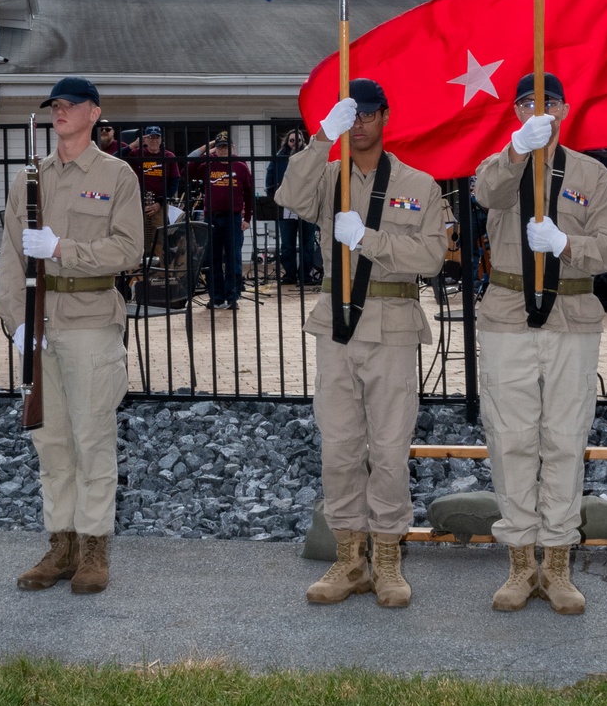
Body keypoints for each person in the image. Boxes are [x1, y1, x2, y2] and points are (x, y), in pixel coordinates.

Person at [275, 79, 446, 609]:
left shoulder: (419, 184)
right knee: (340, 447)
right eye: (355, 116)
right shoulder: (327, 179)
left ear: (385, 117)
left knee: (390, 451)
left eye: (370, 114)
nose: (362, 123)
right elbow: (287, 197)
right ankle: (349, 557)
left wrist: (368, 239)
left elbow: (432, 257)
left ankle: (388, 558)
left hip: (392, 326)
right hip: (337, 325)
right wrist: (321, 137)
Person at [474, 72, 607, 614]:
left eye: (549, 101)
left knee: (564, 438)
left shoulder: (591, 173)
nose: (540, 110)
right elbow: (484, 194)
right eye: (527, 103)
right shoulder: (501, 165)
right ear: (516, 113)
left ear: (564, 108)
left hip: (571, 319)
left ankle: (557, 563)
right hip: (509, 315)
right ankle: (520, 563)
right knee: (511, 438)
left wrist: (565, 242)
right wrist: (516, 151)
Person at [0, 76, 143, 594]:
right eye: (55, 105)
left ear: (94, 113)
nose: (60, 111)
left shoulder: (116, 175)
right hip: (39, 323)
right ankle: (60, 547)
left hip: (90, 321)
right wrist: (15, 322)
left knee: (93, 439)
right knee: (51, 441)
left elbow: (128, 249)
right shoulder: (30, 179)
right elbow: (11, 258)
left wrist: (62, 249)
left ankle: (94, 550)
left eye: (70, 104)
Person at [188, 131, 254, 308]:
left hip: (233, 218)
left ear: (232, 148)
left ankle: (232, 296)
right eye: (219, 147)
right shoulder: (208, 164)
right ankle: (216, 297)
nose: (222, 150)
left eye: (225, 147)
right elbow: (188, 167)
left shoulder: (240, 165)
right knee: (212, 258)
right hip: (212, 218)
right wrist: (206, 149)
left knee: (234, 258)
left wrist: (247, 218)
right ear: (215, 148)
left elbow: (249, 193)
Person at [266, 127, 318, 284]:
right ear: (287, 142)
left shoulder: (309, 156)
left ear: (303, 142)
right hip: (286, 206)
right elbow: (270, 179)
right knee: (287, 244)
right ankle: (289, 274)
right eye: (292, 140)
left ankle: (305, 276)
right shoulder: (279, 157)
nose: (295, 143)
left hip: (307, 205)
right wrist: (275, 195)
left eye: (299, 140)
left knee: (307, 244)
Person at [121, 125, 181, 256]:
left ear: (161, 140)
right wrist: (134, 145)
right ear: (145, 140)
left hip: (159, 204)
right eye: (150, 138)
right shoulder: (137, 154)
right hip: (137, 202)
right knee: (138, 236)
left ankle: (158, 270)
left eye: (157, 138)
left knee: (159, 239)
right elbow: (116, 158)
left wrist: (160, 202)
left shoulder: (168, 156)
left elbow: (174, 182)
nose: (154, 141)